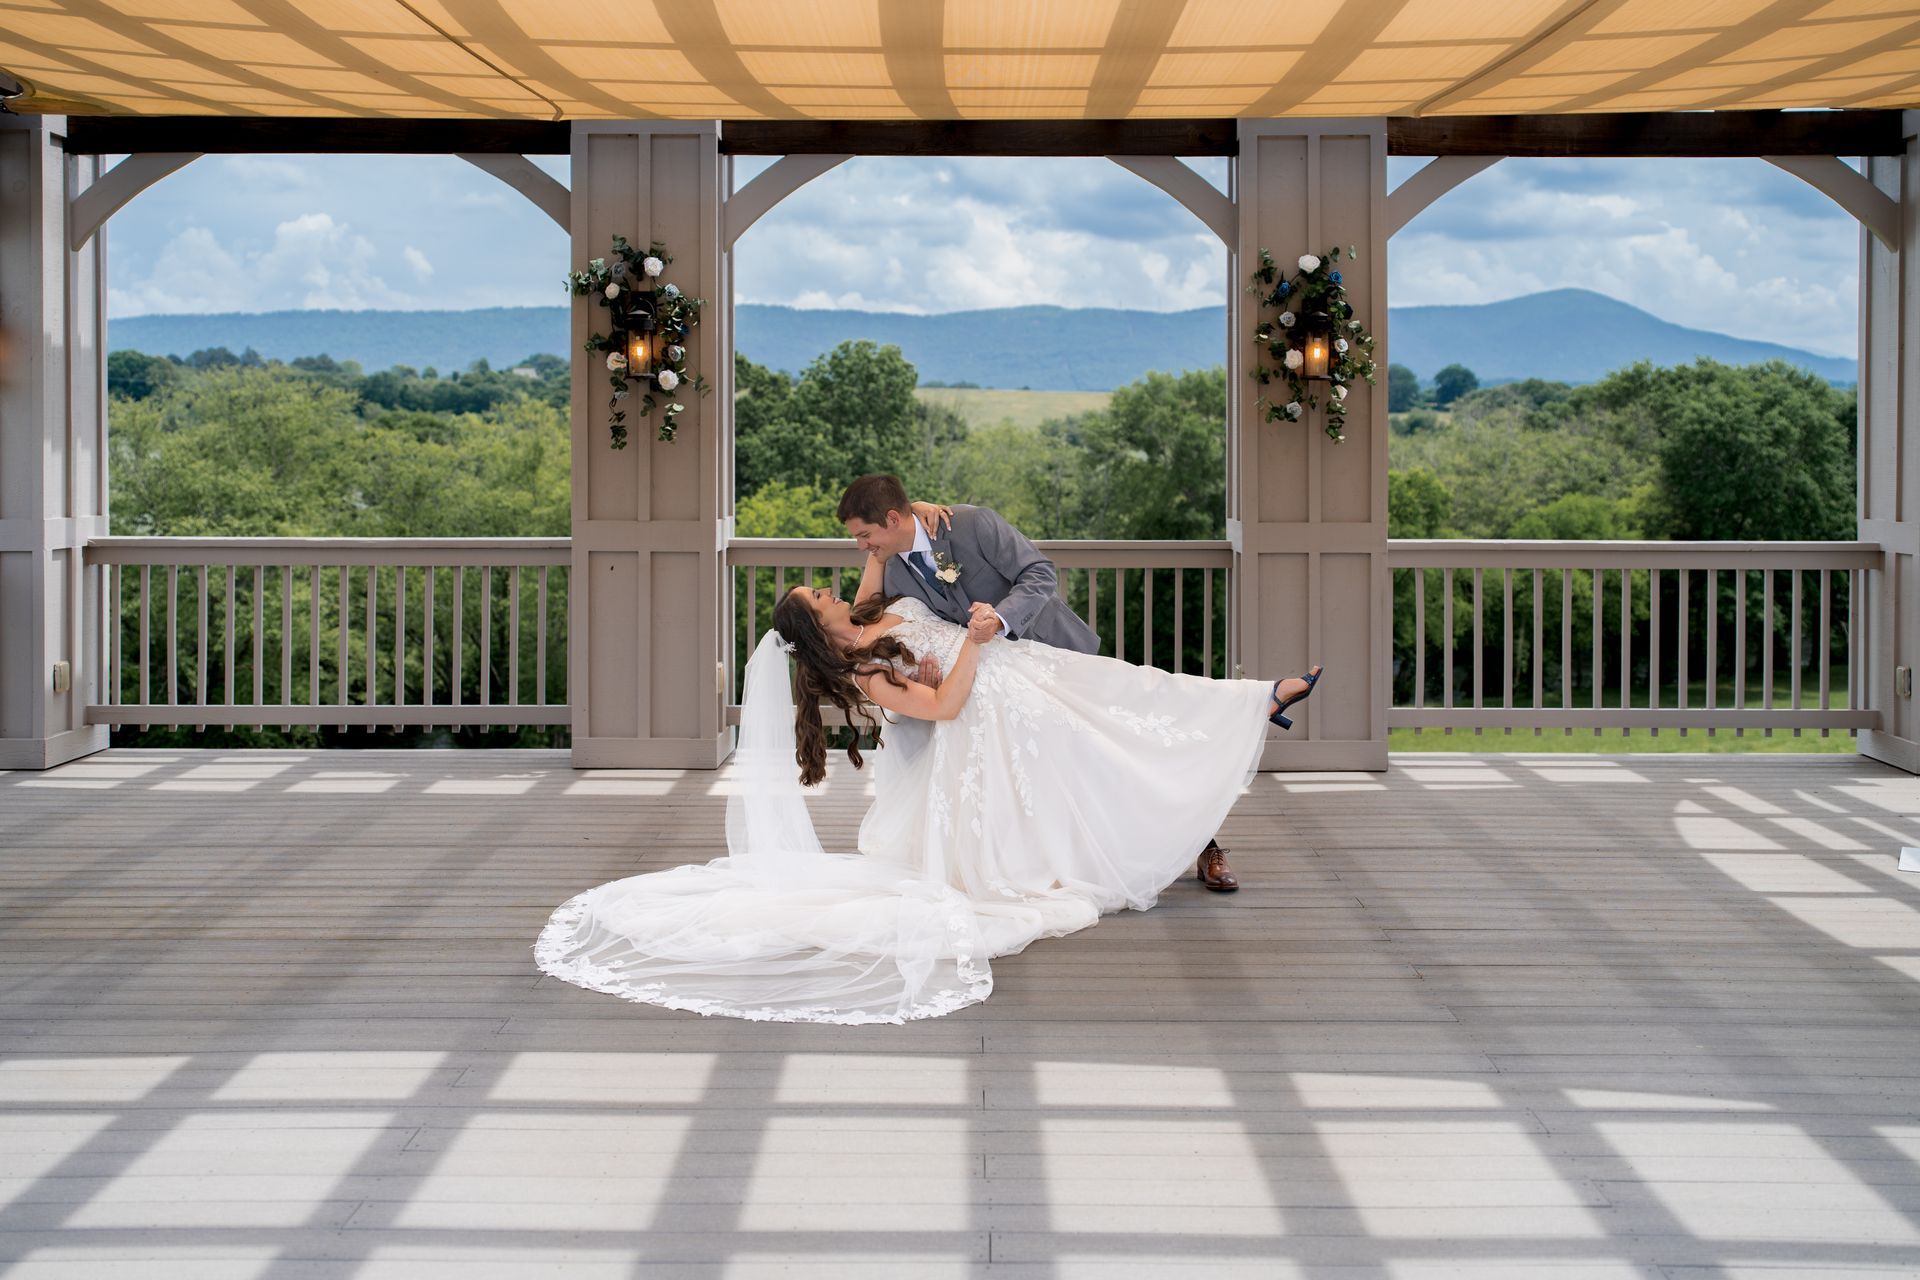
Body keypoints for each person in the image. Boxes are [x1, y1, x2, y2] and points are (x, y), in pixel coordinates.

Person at [534, 519, 1322, 1025]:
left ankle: (1255, 704)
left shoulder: (873, 610)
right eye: (820, 594)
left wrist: (916, 529)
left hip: (1027, 681)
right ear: (817, 624)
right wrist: (975, 642)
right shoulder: (865, 668)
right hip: (994, 712)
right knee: (1119, 735)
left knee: (1133, 695)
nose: (834, 586)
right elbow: (942, 708)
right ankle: (1254, 713)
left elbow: (883, 553)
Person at [836, 473, 1245, 892]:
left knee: (1115, 751)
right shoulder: (893, 575)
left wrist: (1000, 617)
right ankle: (1094, 859)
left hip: (1054, 655)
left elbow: (1039, 573)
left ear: (891, 517)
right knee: (1066, 775)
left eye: (865, 535)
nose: (862, 547)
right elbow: (872, 624)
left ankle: (1204, 842)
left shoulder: (972, 524)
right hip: (1003, 690)